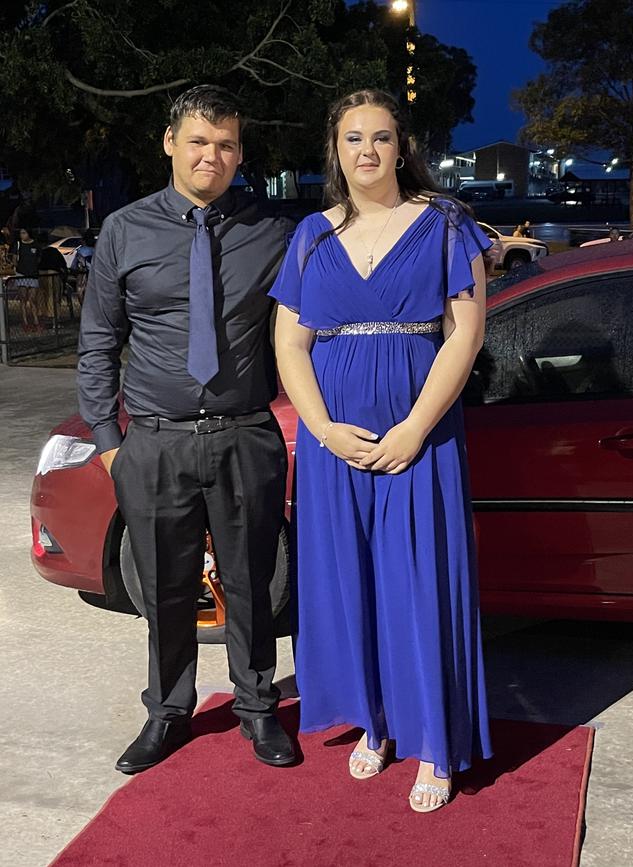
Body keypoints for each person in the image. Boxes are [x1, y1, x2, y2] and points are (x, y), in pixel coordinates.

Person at [271, 89, 492, 813]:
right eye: (352, 138)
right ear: (335, 151)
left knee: (419, 584)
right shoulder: (311, 234)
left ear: (403, 147)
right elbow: (289, 342)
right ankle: (377, 720)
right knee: (351, 583)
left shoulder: (444, 222)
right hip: (336, 444)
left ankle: (434, 739)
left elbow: (465, 334)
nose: (367, 150)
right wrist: (323, 429)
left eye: (382, 137)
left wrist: (415, 428)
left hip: (420, 439)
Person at [78, 85, 295, 774]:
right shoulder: (123, 231)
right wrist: (110, 445)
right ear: (169, 142)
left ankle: (257, 708)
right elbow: (97, 342)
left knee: (250, 583)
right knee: (168, 587)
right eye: (199, 141)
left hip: (244, 434)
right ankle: (167, 712)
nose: (213, 155)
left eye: (227, 143)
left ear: (240, 151)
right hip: (156, 439)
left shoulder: (275, 231)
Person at [11, 227, 41, 330]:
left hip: (33, 275)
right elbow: (14, 258)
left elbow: (38, 258)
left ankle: (36, 321)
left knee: (33, 299)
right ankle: (25, 322)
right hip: (21, 274)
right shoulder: (18, 245)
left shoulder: (36, 245)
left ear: (29, 233)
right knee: (23, 299)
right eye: (21, 233)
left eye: (24, 233)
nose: (22, 235)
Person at [38, 233, 71, 321]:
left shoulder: (39, 252)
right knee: (54, 296)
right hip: (54, 273)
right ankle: (54, 317)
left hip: (40, 274)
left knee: (43, 295)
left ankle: (43, 316)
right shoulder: (54, 251)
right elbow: (63, 265)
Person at [70, 229, 96, 304]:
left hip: (82, 275)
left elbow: (74, 265)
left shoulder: (80, 251)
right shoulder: (97, 251)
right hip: (95, 276)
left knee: (81, 294)